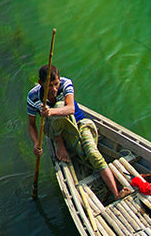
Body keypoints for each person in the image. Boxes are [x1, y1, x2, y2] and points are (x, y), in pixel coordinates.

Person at [26, 63, 122, 202]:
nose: (54, 89)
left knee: (93, 153)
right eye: (49, 86)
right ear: (40, 83)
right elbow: (31, 125)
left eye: (56, 84)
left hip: (78, 125)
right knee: (58, 110)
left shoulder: (65, 84)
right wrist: (36, 144)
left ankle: (116, 193)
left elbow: (70, 108)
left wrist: (50, 111)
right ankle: (59, 142)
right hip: (54, 130)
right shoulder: (33, 97)